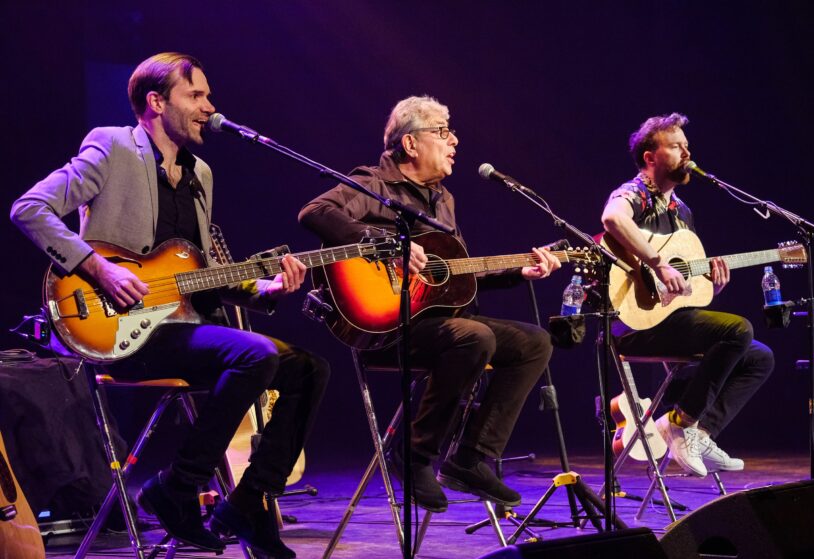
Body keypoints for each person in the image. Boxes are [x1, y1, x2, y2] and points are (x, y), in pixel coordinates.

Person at [10, 53, 328, 559]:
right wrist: (99, 268)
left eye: (208, 96)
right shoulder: (113, 146)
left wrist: (264, 291)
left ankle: (248, 502)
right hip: (119, 328)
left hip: (183, 327)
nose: (209, 107)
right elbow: (29, 207)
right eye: (195, 95)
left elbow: (199, 273)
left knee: (309, 369)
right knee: (257, 355)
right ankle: (179, 485)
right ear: (156, 102)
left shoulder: (201, 173)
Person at [299, 95, 559, 513]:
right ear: (410, 144)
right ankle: (414, 454)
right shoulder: (373, 184)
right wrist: (388, 245)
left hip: (437, 324)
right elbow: (315, 212)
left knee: (535, 342)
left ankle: (470, 458)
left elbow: (453, 276)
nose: (454, 140)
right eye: (442, 131)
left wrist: (518, 272)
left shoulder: (443, 199)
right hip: (384, 326)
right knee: (474, 337)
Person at [600, 113, 775, 478]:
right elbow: (612, 220)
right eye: (677, 146)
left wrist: (712, 283)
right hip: (631, 324)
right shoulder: (633, 194)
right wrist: (658, 263)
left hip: (669, 320)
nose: (687, 153)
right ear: (651, 157)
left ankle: (698, 432)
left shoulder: (682, 212)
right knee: (738, 330)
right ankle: (681, 422)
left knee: (760, 357)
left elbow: (684, 286)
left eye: (687, 146)